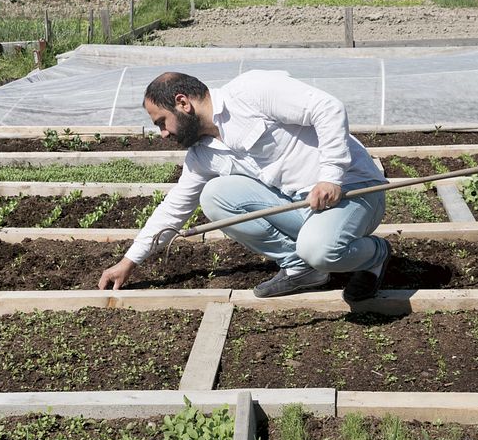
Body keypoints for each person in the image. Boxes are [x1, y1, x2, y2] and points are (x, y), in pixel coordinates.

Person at [97, 70, 391, 300]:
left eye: (162, 122)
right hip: (302, 205)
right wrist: (128, 262)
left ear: (182, 103)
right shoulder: (203, 154)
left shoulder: (251, 91)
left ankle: (375, 255)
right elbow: (173, 209)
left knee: (319, 248)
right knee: (214, 195)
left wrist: (331, 175)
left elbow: (327, 108)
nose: (163, 133)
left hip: (353, 190)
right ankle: (302, 268)